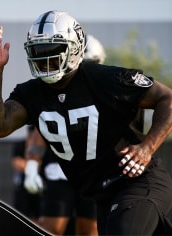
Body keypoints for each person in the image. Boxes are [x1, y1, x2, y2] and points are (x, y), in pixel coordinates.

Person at [0, 10, 172, 235]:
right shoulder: (32, 93)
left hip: (138, 182)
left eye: (53, 51)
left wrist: (147, 147)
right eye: (38, 51)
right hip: (103, 194)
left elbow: (170, 99)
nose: (44, 59)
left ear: (74, 48)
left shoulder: (103, 79)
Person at [22, 34, 107, 236]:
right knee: (51, 230)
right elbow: (42, 129)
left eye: (89, 63)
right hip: (61, 172)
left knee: (90, 231)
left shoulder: (104, 89)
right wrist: (32, 165)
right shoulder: (54, 90)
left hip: (94, 174)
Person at [11, 125, 41, 224]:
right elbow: (16, 163)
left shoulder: (43, 148)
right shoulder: (20, 145)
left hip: (40, 187)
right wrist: (33, 166)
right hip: (22, 188)